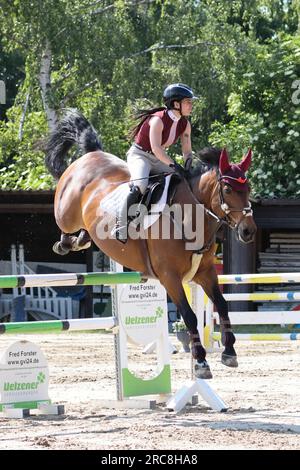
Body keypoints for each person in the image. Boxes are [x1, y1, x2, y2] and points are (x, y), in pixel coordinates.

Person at [111, 83, 198, 242]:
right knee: (141, 185)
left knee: (182, 181)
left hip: (159, 159)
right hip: (141, 155)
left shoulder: (185, 124)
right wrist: (174, 165)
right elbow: (157, 149)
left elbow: (186, 150)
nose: (191, 105)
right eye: (188, 102)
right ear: (176, 104)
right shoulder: (157, 120)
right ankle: (121, 224)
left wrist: (187, 164)